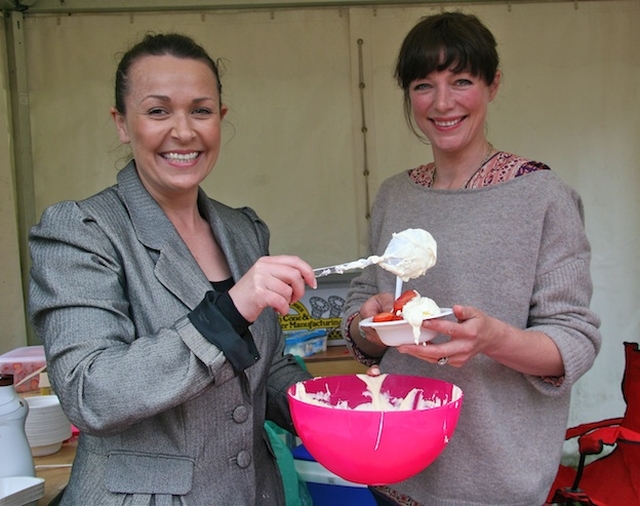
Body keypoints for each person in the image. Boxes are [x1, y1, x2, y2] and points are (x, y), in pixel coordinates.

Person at [28, 33, 316, 505]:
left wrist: (341, 407)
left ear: (220, 119)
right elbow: (90, 391)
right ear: (122, 123)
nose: (183, 131)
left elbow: (265, 370)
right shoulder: (83, 231)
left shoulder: (243, 231)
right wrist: (229, 312)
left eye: (201, 110)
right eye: (158, 111)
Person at [342, 12, 601, 506]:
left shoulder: (542, 196)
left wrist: (492, 338)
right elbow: (362, 308)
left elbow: (574, 341)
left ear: (492, 85)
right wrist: (367, 323)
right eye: (424, 85)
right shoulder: (396, 195)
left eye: (461, 81)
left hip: (496, 479)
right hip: (397, 467)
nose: (442, 103)